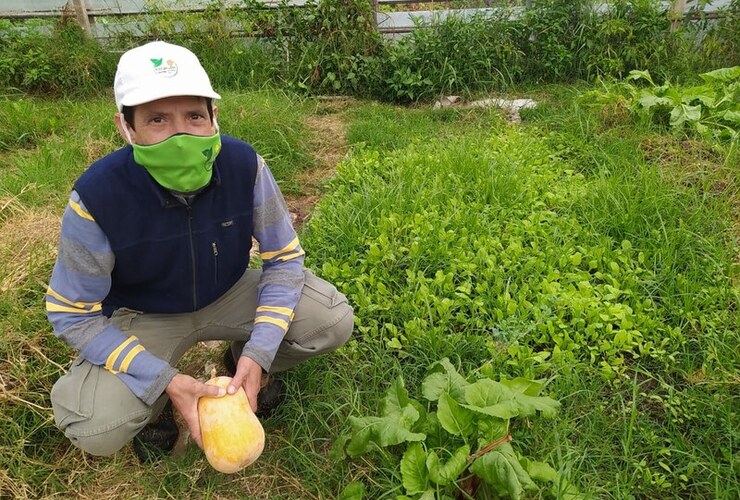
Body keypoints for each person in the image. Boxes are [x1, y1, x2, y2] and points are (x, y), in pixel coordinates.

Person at [45, 40, 354, 462]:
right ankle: (157, 407)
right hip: (142, 315)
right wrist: (162, 380)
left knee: (329, 320)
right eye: (157, 119)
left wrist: (260, 352)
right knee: (94, 424)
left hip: (228, 292)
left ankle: (239, 366)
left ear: (214, 117)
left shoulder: (245, 165)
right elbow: (71, 314)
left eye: (193, 115)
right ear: (126, 128)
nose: (181, 133)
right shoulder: (98, 197)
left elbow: (283, 260)